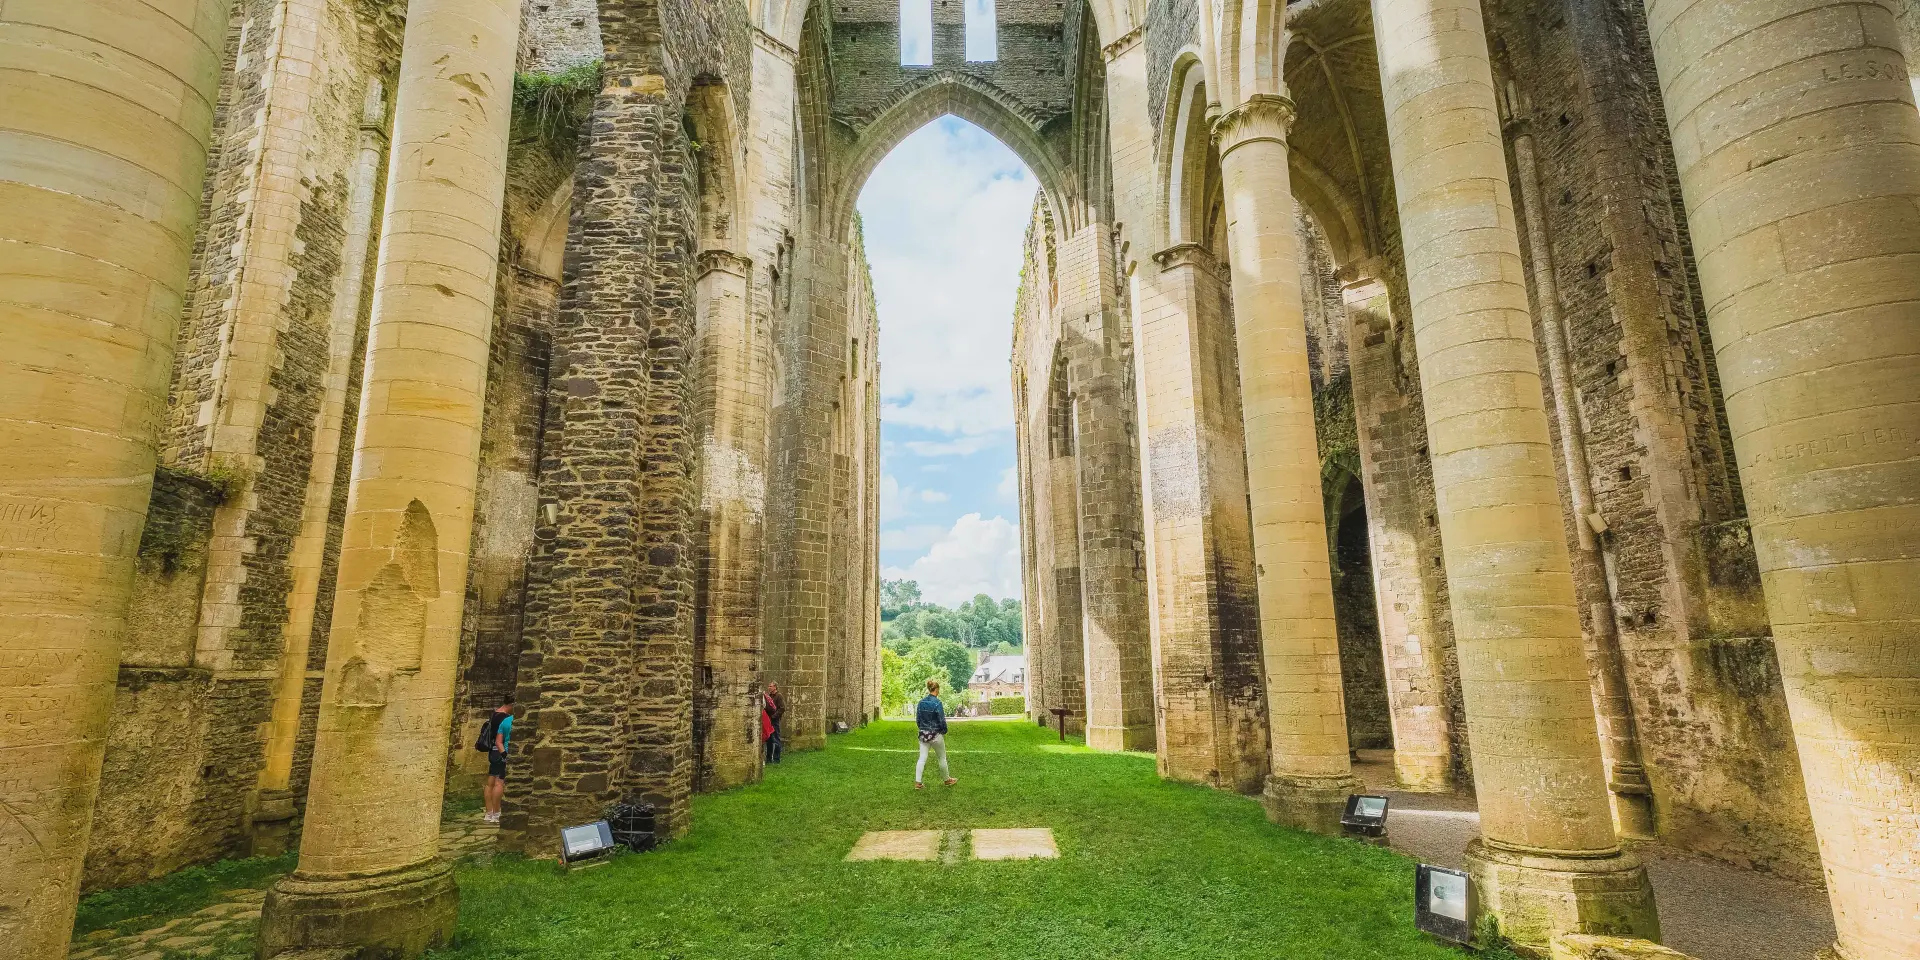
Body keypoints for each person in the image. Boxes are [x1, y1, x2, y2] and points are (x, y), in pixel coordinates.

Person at [914, 679, 956, 790]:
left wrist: (923, 728)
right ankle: (947, 780)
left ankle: (918, 782)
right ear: (936, 689)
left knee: (922, 758)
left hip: (923, 734)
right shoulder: (938, 703)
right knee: (942, 758)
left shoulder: (921, 703)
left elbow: (918, 719)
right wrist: (944, 730)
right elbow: (941, 720)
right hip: (936, 734)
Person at [480, 696, 514, 823]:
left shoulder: (494, 714)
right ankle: (496, 812)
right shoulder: (506, 719)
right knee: (499, 783)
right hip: (501, 751)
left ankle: (489, 813)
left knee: (490, 782)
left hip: (493, 750)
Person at [763, 682, 784, 765]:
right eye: (768, 686)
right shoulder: (769, 696)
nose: (769, 687)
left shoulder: (779, 696)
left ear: (775, 687)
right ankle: (768, 758)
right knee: (769, 740)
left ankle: (776, 758)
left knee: (776, 739)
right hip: (768, 720)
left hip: (774, 721)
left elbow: (782, 708)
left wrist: (774, 716)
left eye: (770, 686)